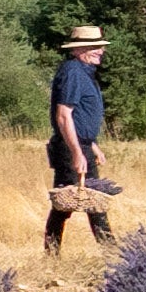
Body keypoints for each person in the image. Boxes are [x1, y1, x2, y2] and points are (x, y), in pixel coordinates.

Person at [45, 25, 123, 255]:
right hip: (71, 147)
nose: (101, 51)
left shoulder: (83, 72)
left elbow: (79, 116)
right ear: (78, 50)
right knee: (69, 203)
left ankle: (54, 256)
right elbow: (63, 115)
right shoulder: (73, 72)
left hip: (81, 144)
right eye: (94, 47)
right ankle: (112, 256)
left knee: (87, 201)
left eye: (100, 46)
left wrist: (92, 146)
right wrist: (77, 152)